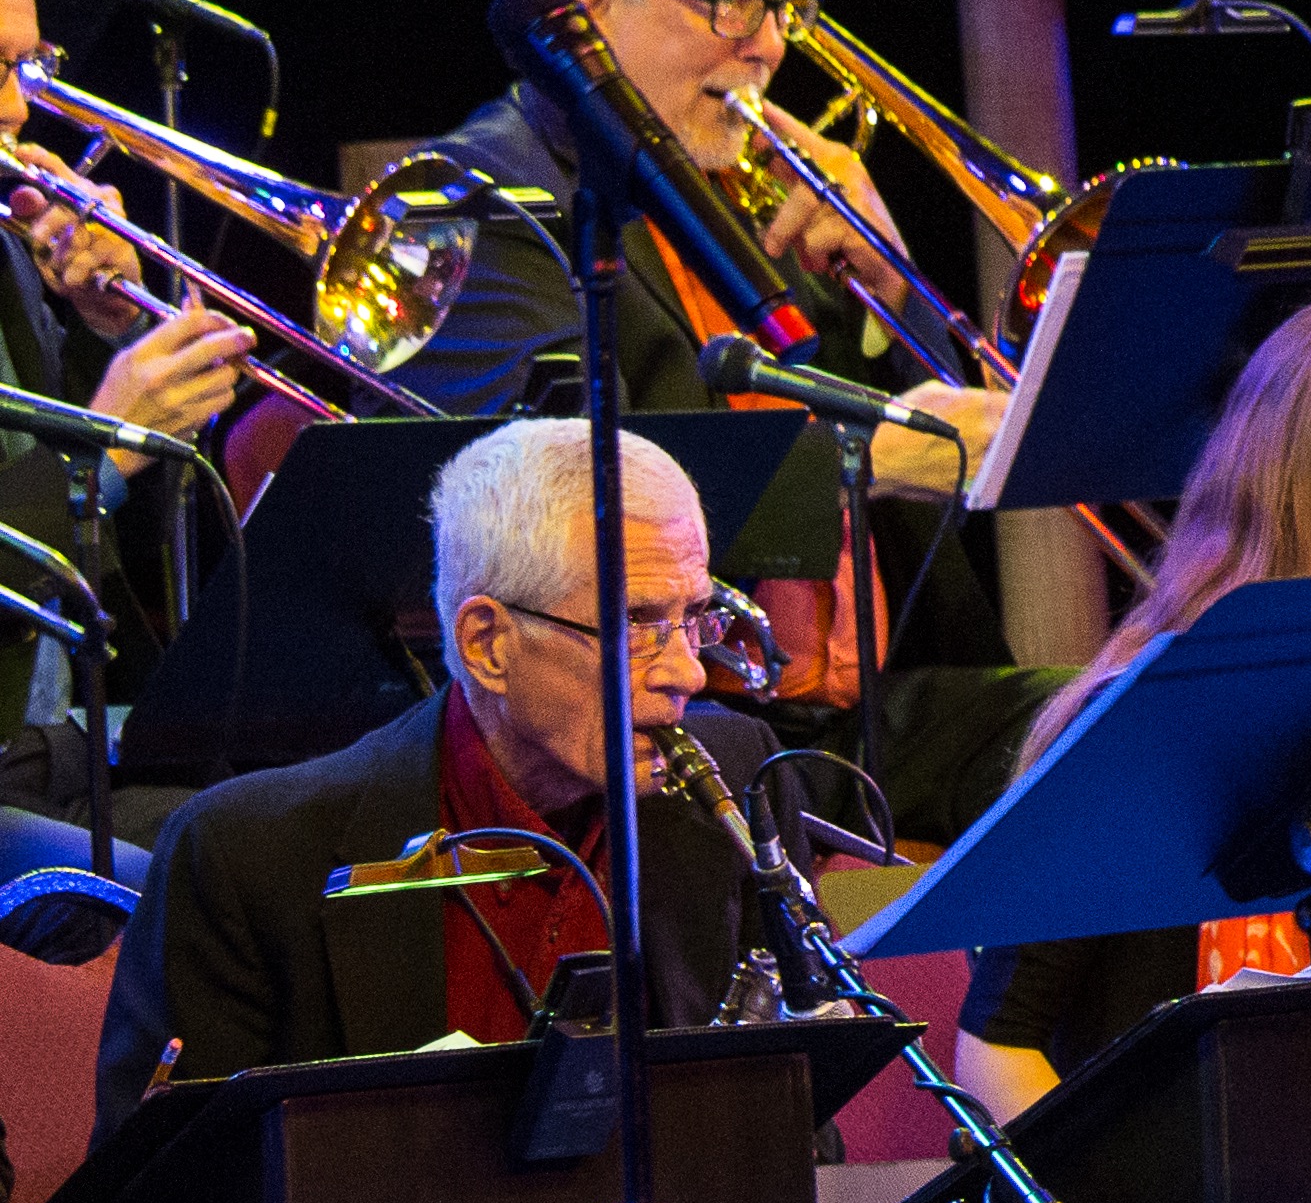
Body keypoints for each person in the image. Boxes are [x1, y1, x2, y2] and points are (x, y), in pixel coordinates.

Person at [394, 0, 1056, 842]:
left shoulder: (758, 182)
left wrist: (890, 285)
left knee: (1126, 721)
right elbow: (560, 497)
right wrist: (864, 458)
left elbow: (938, 454)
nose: (768, 44)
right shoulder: (472, 199)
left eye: (783, 4)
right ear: (591, 3)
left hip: (866, 713)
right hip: (657, 722)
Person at [91, 419, 800, 1135]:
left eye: (696, 617)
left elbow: (794, 1123)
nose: (688, 672)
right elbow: (164, 1190)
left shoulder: (741, 781)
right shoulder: (245, 859)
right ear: (487, 644)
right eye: (636, 623)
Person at [950, 293, 1311, 1118]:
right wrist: (1106, 1198)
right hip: (1172, 1175)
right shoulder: (1145, 722)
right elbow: (995, 1050)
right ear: (1288, 466)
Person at [0, 0, 253, 889]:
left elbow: (112, 544)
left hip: (56, 742)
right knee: (202, 894)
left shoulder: (8, 246)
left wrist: (111, 326)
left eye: (27, 65)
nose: (19, 110)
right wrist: (107, 441)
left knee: (307, 834)